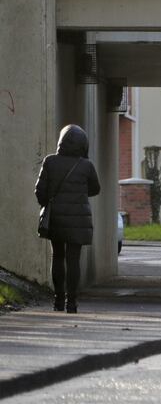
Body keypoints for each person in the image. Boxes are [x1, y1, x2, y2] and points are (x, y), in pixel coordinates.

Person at [34, 125, 100, 313]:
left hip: (56, 218)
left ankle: (58, 301)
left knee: (57, 256)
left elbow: (40, 190)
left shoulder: (49, 162)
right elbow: (96, 189)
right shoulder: (86, 166)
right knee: (73, 259)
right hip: (79, 221)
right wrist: (78, 194)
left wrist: (47, 203)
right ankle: (72, 302)